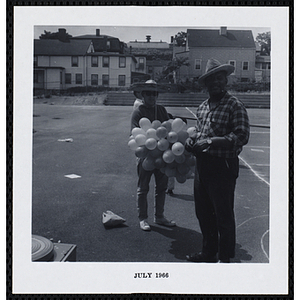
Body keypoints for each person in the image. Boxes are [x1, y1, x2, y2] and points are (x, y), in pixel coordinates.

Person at [185, 59, 250, 263]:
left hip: (223, 167)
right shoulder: (203, 106)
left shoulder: (234, 105)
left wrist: (211, 141)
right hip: (202, 167)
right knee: (203, 213)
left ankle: (224, 258)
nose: (215, 82)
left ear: (225, 80)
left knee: (223, 216)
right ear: (206, 83)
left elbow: (241, 136)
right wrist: (191, 139)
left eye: (219, 78)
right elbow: (199, 131)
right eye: (211, 79)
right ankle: (208, 252)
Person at [131, 80, 176, 231]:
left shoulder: (161, 109)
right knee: (143, 188)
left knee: (161, 187)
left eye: (154, 94)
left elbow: (168, 131)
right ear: (142, 95)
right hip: (146, 156)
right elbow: (136, 135)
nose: (152, 97)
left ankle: (160, 216)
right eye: (148, 93)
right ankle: (143, 218)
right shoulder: (138, 112)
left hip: (161, 155)